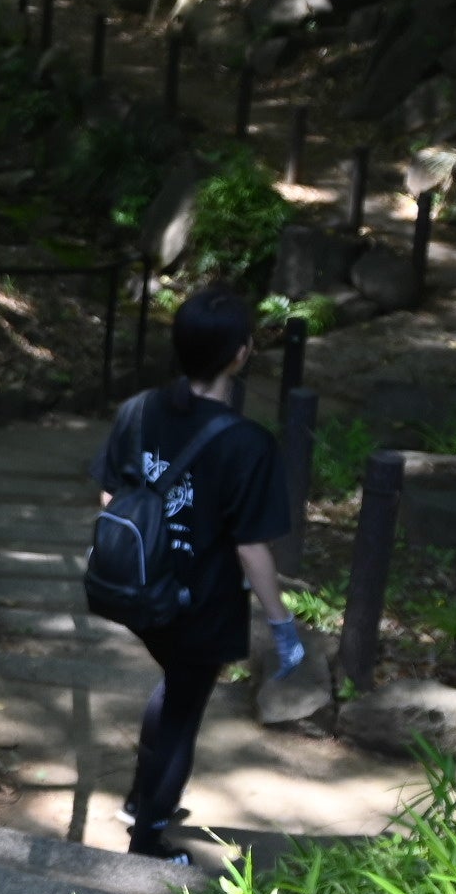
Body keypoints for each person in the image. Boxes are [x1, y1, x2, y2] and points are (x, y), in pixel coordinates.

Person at [89, 287, 299, 861]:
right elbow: (252, 548)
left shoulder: (136, 411)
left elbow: (112, 492)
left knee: (177, 681)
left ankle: (138, 799)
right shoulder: (249, 444)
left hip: (136, 587)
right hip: (198, 601)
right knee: (185, 707)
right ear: (240, 354)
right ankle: (147, 839)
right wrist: (281, 625)